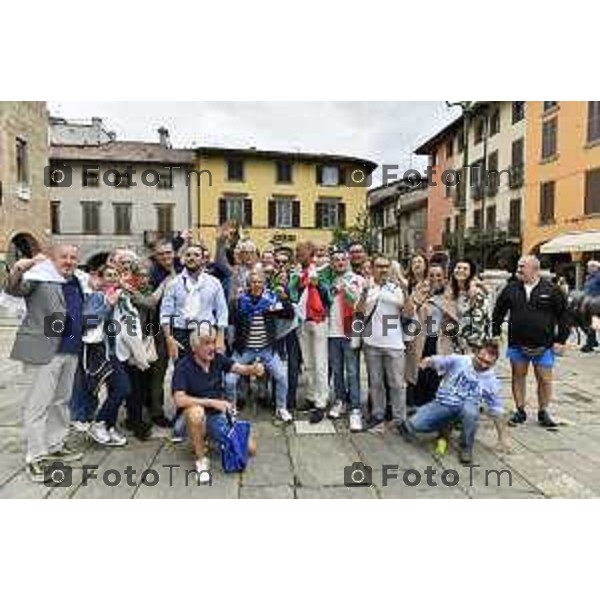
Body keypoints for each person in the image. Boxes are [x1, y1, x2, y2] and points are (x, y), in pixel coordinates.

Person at [4, 245, 85, 482]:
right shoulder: (39, 276)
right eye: (64, 257)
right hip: (44, 351)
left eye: (73, 257)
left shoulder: (77, 281)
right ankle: (36, 456)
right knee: (38, 405)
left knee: (61, 401)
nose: (69, 261)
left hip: (70, 350)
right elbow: (14, 288)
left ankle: (55, 444)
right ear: (52, 259)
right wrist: (20, 266)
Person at [172, 329, 262, 483]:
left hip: (215, 416)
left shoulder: (218, 359)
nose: (212, 347)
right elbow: (179, 400)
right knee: (196, 413)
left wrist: (253, 369)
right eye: (206, 343)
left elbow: (239, 368)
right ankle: (201, 460)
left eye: (213, 342)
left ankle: (207, 437)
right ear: (194, 347)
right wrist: (212, 402)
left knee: (250, 449)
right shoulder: (183, 366)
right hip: (188, 420)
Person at [492, 255, 570, 429]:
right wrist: (495, 333)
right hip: (517, 343)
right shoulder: (510, 289)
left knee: (544, 379)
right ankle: (520, 410)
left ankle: (543, 411)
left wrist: (561, 340)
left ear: (535, 269)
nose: (518, 269)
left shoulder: (552, 289)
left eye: (522, 266)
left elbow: (564, 316)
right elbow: (498, 313)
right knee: (518, 376)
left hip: (544, 345)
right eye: (518, 266)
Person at [401, 341, 508, 465]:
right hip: (444, 402)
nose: (483, 365)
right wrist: (427, 362)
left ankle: (466, 448)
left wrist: (502, 439)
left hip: (466, 407)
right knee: (415, 426)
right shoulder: (460, 360)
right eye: (481, 359)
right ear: (476, 353)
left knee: (471, 413)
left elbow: (497, 410)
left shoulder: (491, 381)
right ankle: (442, 423)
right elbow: (439, 360)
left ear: (494, 363)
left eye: (488, 363)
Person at [226, 270, 294, 423]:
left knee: (282, 376)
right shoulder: (239, 301)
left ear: (264, 284)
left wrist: (284, 298)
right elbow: (230, 323)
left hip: (267, 349)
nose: (257, 285)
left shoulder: (271, 300)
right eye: (254, 282)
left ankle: (281, 408)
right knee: (230, 380)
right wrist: (232, 345)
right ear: (249, 284)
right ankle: (231, 408)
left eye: (260, 282)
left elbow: (289, 314)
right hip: (245, 350)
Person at [358, 255, 407, 433]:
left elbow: (408, 313)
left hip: (394, 342)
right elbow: (360, 312)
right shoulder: (367, 287)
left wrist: (406, 290)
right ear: (372, 268)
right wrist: (363, 292)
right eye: (379, 266)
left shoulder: (397, 288)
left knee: (396, 383)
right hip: (372, 341)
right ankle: (378, 414)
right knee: (375, 382)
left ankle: (399, 418)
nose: (383, 270)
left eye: (386, 266)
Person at [160, 244, 228, 361]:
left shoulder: (214, 283)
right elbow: (165, 314)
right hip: (181, 333)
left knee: (206, 372)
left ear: (203, 259)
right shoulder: (173, 284)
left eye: (196, 255)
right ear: (183, 259)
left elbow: (222, 312)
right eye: (188, 255)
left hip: (206, 332)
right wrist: (169, 339)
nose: (191, 258)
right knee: (182, 371)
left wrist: (220, 338)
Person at [404, 263, 457, 410]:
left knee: (437, 373)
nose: (435, 278)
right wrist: (423, 298)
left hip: (441, 340)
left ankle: (435, 407)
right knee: (419, 372)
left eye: (438, 275)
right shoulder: (419, 292)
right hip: (421, 338)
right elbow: (409, 312)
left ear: (444, 277)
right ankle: (417, 406)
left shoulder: (449, 294)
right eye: (432, 275)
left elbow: (454, 317)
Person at [288, 241, 331, 423]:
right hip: (302, 320)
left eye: (300, 250)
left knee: (320, 361)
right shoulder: (297, 273)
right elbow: (292, 295)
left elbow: (328, 295)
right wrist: (294, 285)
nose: (297, 253)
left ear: (310, 252)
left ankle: (321, 403)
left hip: (319, 320)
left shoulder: (322, 271)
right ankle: (312, 396)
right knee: (308, 361)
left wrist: (318, 284)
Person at [325, 249, 364, 431]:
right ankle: (340, 400)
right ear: (332, 263)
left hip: (349, 332)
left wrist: (346, 288)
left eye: (342, 259)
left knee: (353, 372)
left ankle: (355, 409)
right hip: (333, 333)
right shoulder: (329, 279)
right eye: (336, 260)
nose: (339, 262)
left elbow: (358, 303)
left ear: (348, 261)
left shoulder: (357, 279)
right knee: (337, 371)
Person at [580, 260, 600, 353]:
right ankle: (593, 342)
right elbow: (585, 290)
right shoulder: (588, 278)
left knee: (593, 323)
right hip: (587, 304)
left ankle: (589, 344)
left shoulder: (599, 277)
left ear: (596, 268)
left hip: (596, 304)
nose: (588, 268)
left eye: (590, 267)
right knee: (586, 323)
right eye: (588, 267)